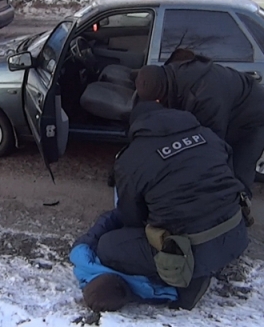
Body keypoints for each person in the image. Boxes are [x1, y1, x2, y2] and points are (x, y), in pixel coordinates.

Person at [72, 101, 249, 311]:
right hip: (236, 234)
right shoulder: (208, 135)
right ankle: (201, 262)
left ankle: (187, 283)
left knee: (110, 246)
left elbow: (131, 218)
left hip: (191, 250)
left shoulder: (133, 158)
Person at [134, 49, 264, 201]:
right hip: (230, 107)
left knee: (238, 169)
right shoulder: (170, 75)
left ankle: (238, 213)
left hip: (255, 115)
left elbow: (212, 147)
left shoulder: (204, 97)